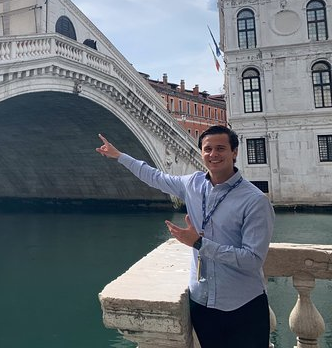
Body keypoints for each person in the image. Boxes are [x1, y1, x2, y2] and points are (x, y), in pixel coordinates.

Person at [96, 125, 274, 347]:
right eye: (208, 149)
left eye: (220, 148)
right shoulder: (192, 184)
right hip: (202, 302)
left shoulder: (255, 201)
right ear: (201, 152)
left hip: (243, 304)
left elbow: (252, 260)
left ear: (234, 152)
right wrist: (120, 156)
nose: (213, 155)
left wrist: (199, 243)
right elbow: (155, 176)